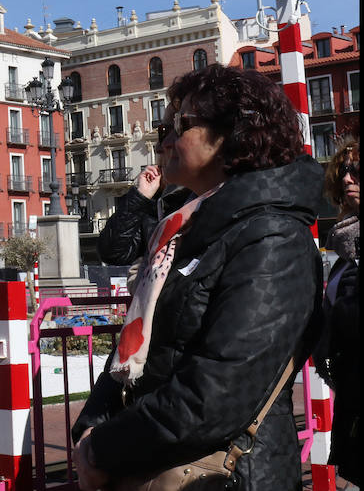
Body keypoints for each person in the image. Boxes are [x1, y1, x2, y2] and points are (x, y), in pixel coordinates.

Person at [72, 64, 323, 491]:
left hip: (231, 475)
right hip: (157, 461)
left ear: (234, 134)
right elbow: (140, 353)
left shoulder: (274, 238)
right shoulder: (183, 230)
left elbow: (220, 389)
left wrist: (104, 448)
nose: (164, 139)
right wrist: (91, 428)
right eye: (163, 126)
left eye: (180, 125)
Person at [314, 135, 359, 486]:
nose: (347, 178)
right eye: (343, 170)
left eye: (356, 170)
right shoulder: (342, 244)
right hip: (352, 386)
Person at [97, 105, 191, 269]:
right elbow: (112, 252)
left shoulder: (217, 199)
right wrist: (139, 197)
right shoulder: (156, 203)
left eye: (176, 129)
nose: (161, 146)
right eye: (162, 132)